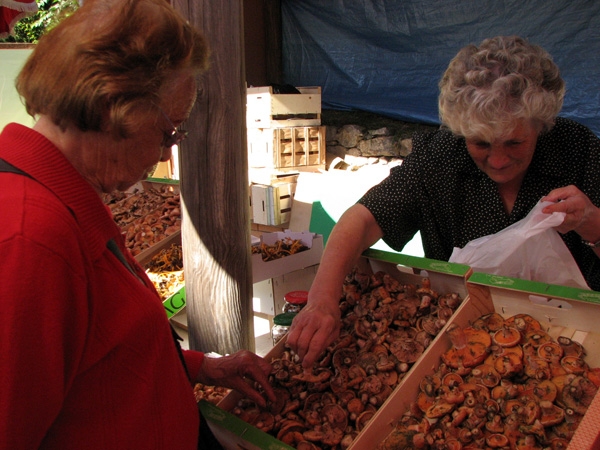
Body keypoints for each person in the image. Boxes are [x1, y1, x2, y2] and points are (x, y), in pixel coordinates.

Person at [0, 0, 275, 449]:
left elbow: (94, 356)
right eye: (170, 132)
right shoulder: (29, 240)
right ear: (113, 107)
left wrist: (197, 366)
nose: (168, 155)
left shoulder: (67, 195)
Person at [287, 35, 600, 369]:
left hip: (578, 345)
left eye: (514, 143)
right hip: (463, 345)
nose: (497, 161)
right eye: (481, 143)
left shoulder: (579, 151)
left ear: (541, 125)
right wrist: (322, 300)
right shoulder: (441, 156)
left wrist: (591, 222)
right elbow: (363, 219)